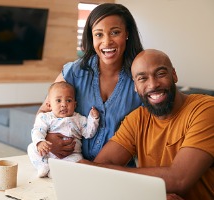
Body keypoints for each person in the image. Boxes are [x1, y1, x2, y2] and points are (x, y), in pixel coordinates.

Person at [80, 49, 214, 200]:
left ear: (174, 75)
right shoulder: (137, 119)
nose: (153, 84)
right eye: (142, 78)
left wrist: (97, 170)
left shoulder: (206, 109)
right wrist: (151, 194)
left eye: (160, 74)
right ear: (135, 86)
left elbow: (179, 179)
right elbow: (103, 164)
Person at [38, 3, 143, 162]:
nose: (107, 42)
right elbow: (45, 111)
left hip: (117, 172)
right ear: (91, 37)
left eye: (115, 32)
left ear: (127, 33)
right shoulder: (74, 72)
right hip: (70, 165)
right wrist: (48, 138)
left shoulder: (140, 77)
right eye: (99, 34)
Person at [28, 81, 100, 177]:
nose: (64, 104)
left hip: (71, 155)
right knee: (32, 148)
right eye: (58, 101)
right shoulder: (45, 117)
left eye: (68, 101)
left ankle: (55, 172)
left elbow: (88, 133)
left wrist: (93, 119)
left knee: (78, 162)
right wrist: (40, 142)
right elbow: (37, 130)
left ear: (75, 105)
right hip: (48, 152)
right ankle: (43, 166)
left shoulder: (79, 119)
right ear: (49, 105)